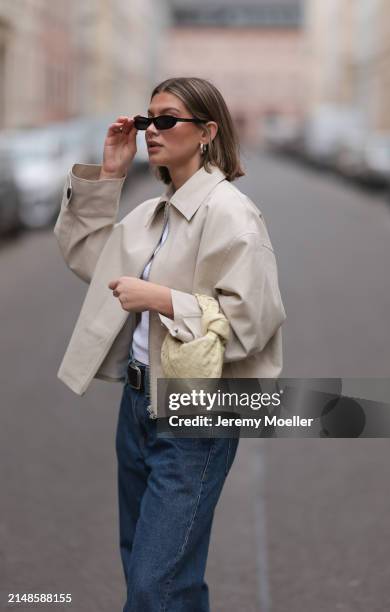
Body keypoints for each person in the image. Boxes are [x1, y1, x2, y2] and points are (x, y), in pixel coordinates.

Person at [54, 76, 286, 612]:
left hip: (197, 410)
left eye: (166, 120)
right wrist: (109, 177)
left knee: (153, 585)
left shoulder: (231, 213)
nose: (151, 131)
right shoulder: (153, 212)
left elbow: (254, 319)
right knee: (159, 575)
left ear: (207, 132)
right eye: (146, 119)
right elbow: (91, 261)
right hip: (138, 406)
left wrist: (162, 299)